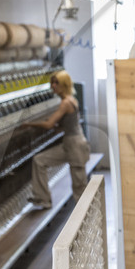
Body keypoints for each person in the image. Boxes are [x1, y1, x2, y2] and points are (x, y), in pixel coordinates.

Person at [23, 70, 93, 210]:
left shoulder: (66, 103)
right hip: (70, 144)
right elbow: (67, 124)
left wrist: (28, 124)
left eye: (56, 83)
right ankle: (43, 199)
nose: (53, 86)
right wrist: (58, 126)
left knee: (79, 186)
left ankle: (85, 218)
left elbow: (49, 124)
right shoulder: (71, 100)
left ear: (64, 84)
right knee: (39, 161)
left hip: (75, 146)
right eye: (52, 83)